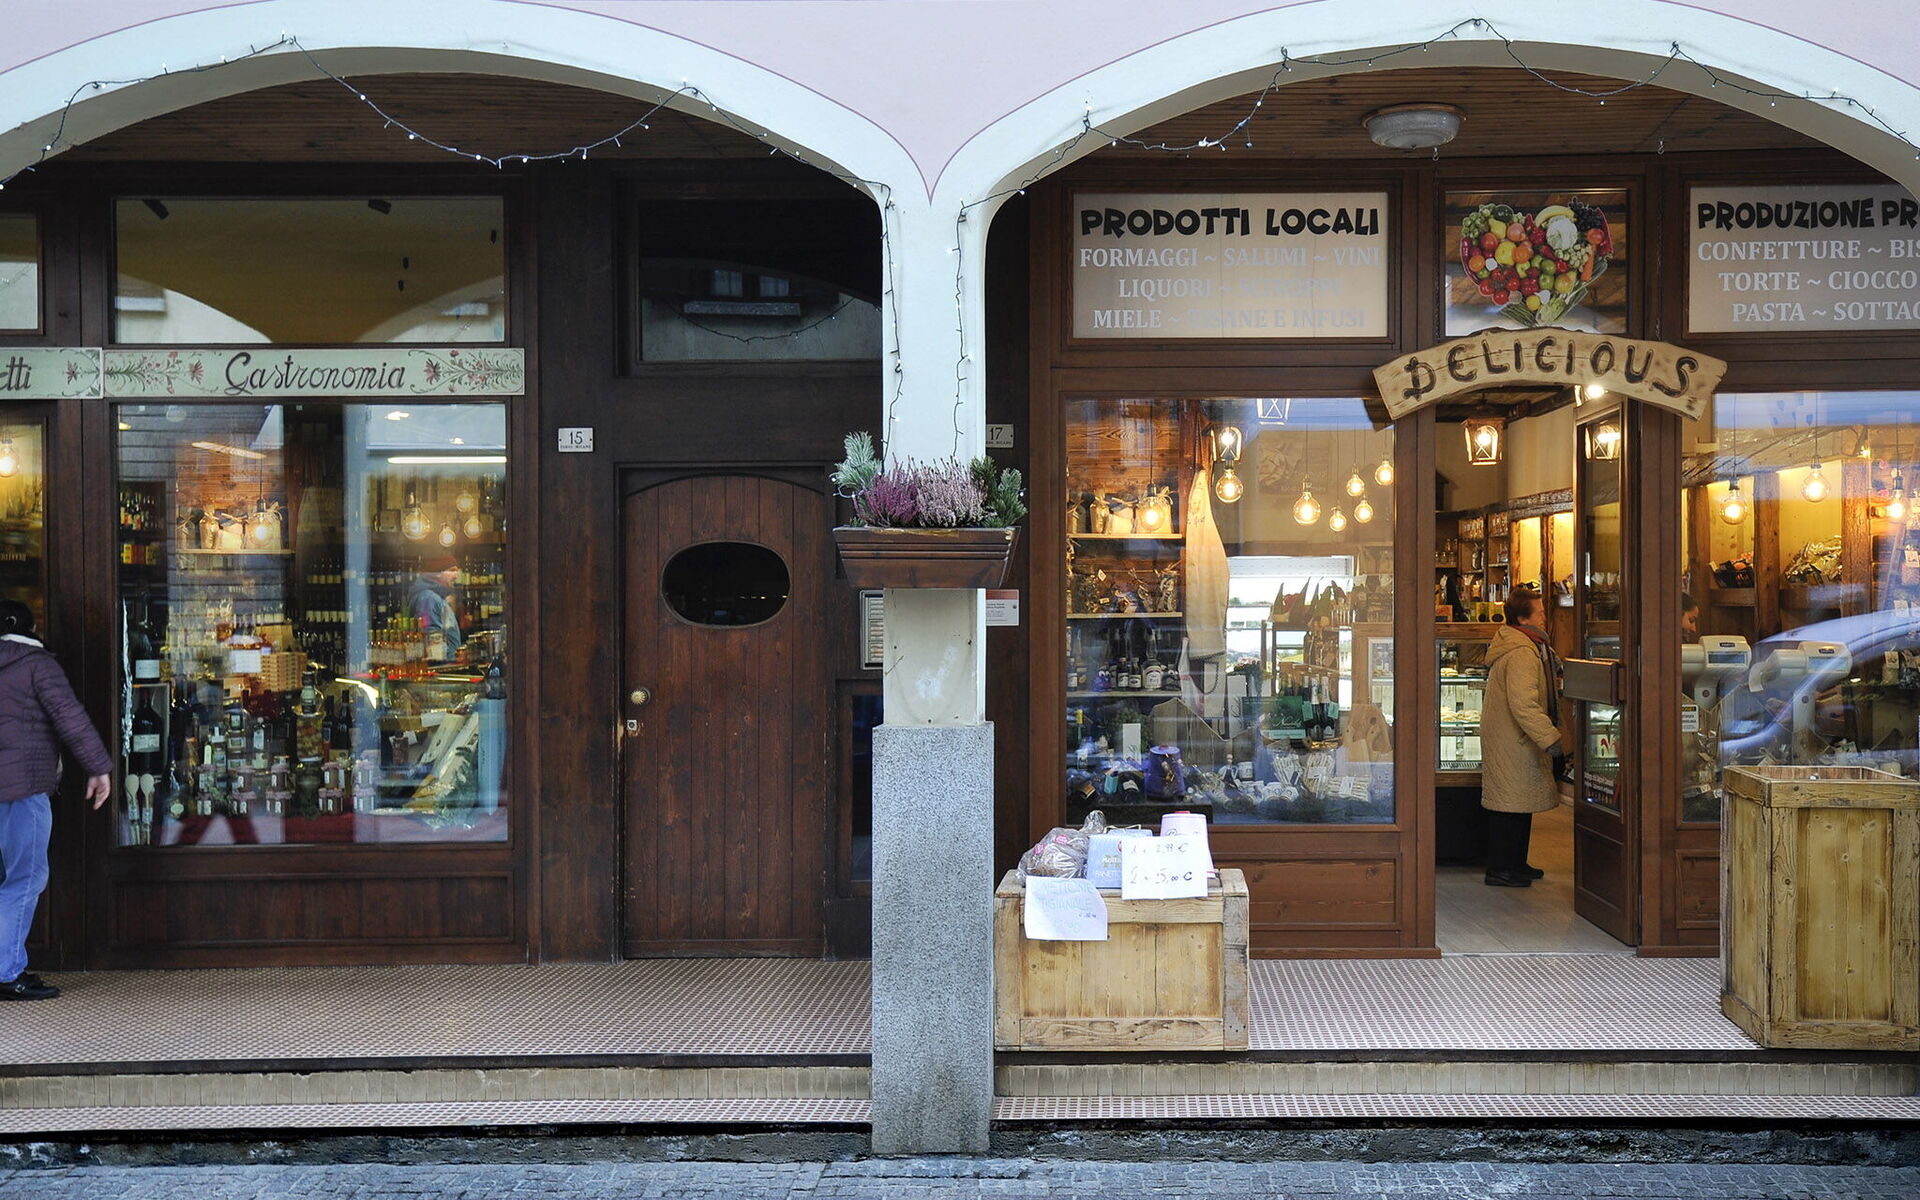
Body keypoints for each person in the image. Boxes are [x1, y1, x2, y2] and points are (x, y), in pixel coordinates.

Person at [0, 601, 111, 1001]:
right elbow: (70, 718)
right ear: (29, 627)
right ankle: (6, 972)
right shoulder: (36, 664)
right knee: (25, 877)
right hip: (23, 787)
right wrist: (98, 768)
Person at [1476, 587, 1567, 887]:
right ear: (1523, 618)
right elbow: (1524, 704)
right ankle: (1501, 868)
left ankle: (1515, 863)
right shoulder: (1522, 653)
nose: (1544, 616)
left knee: (1519, 802)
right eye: (1539, 612)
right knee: (1509, 805)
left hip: (1513, 738)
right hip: (1515, 740)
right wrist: (1550, 738)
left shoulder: (1528, 645)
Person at [407, 550, 464, 660]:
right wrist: (454, 659)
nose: (456, 575)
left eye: (457, 571)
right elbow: (432, 641)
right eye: (452, 570)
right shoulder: (428, 598)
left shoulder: (436, 597)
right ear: (437, 573)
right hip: (443, 666)